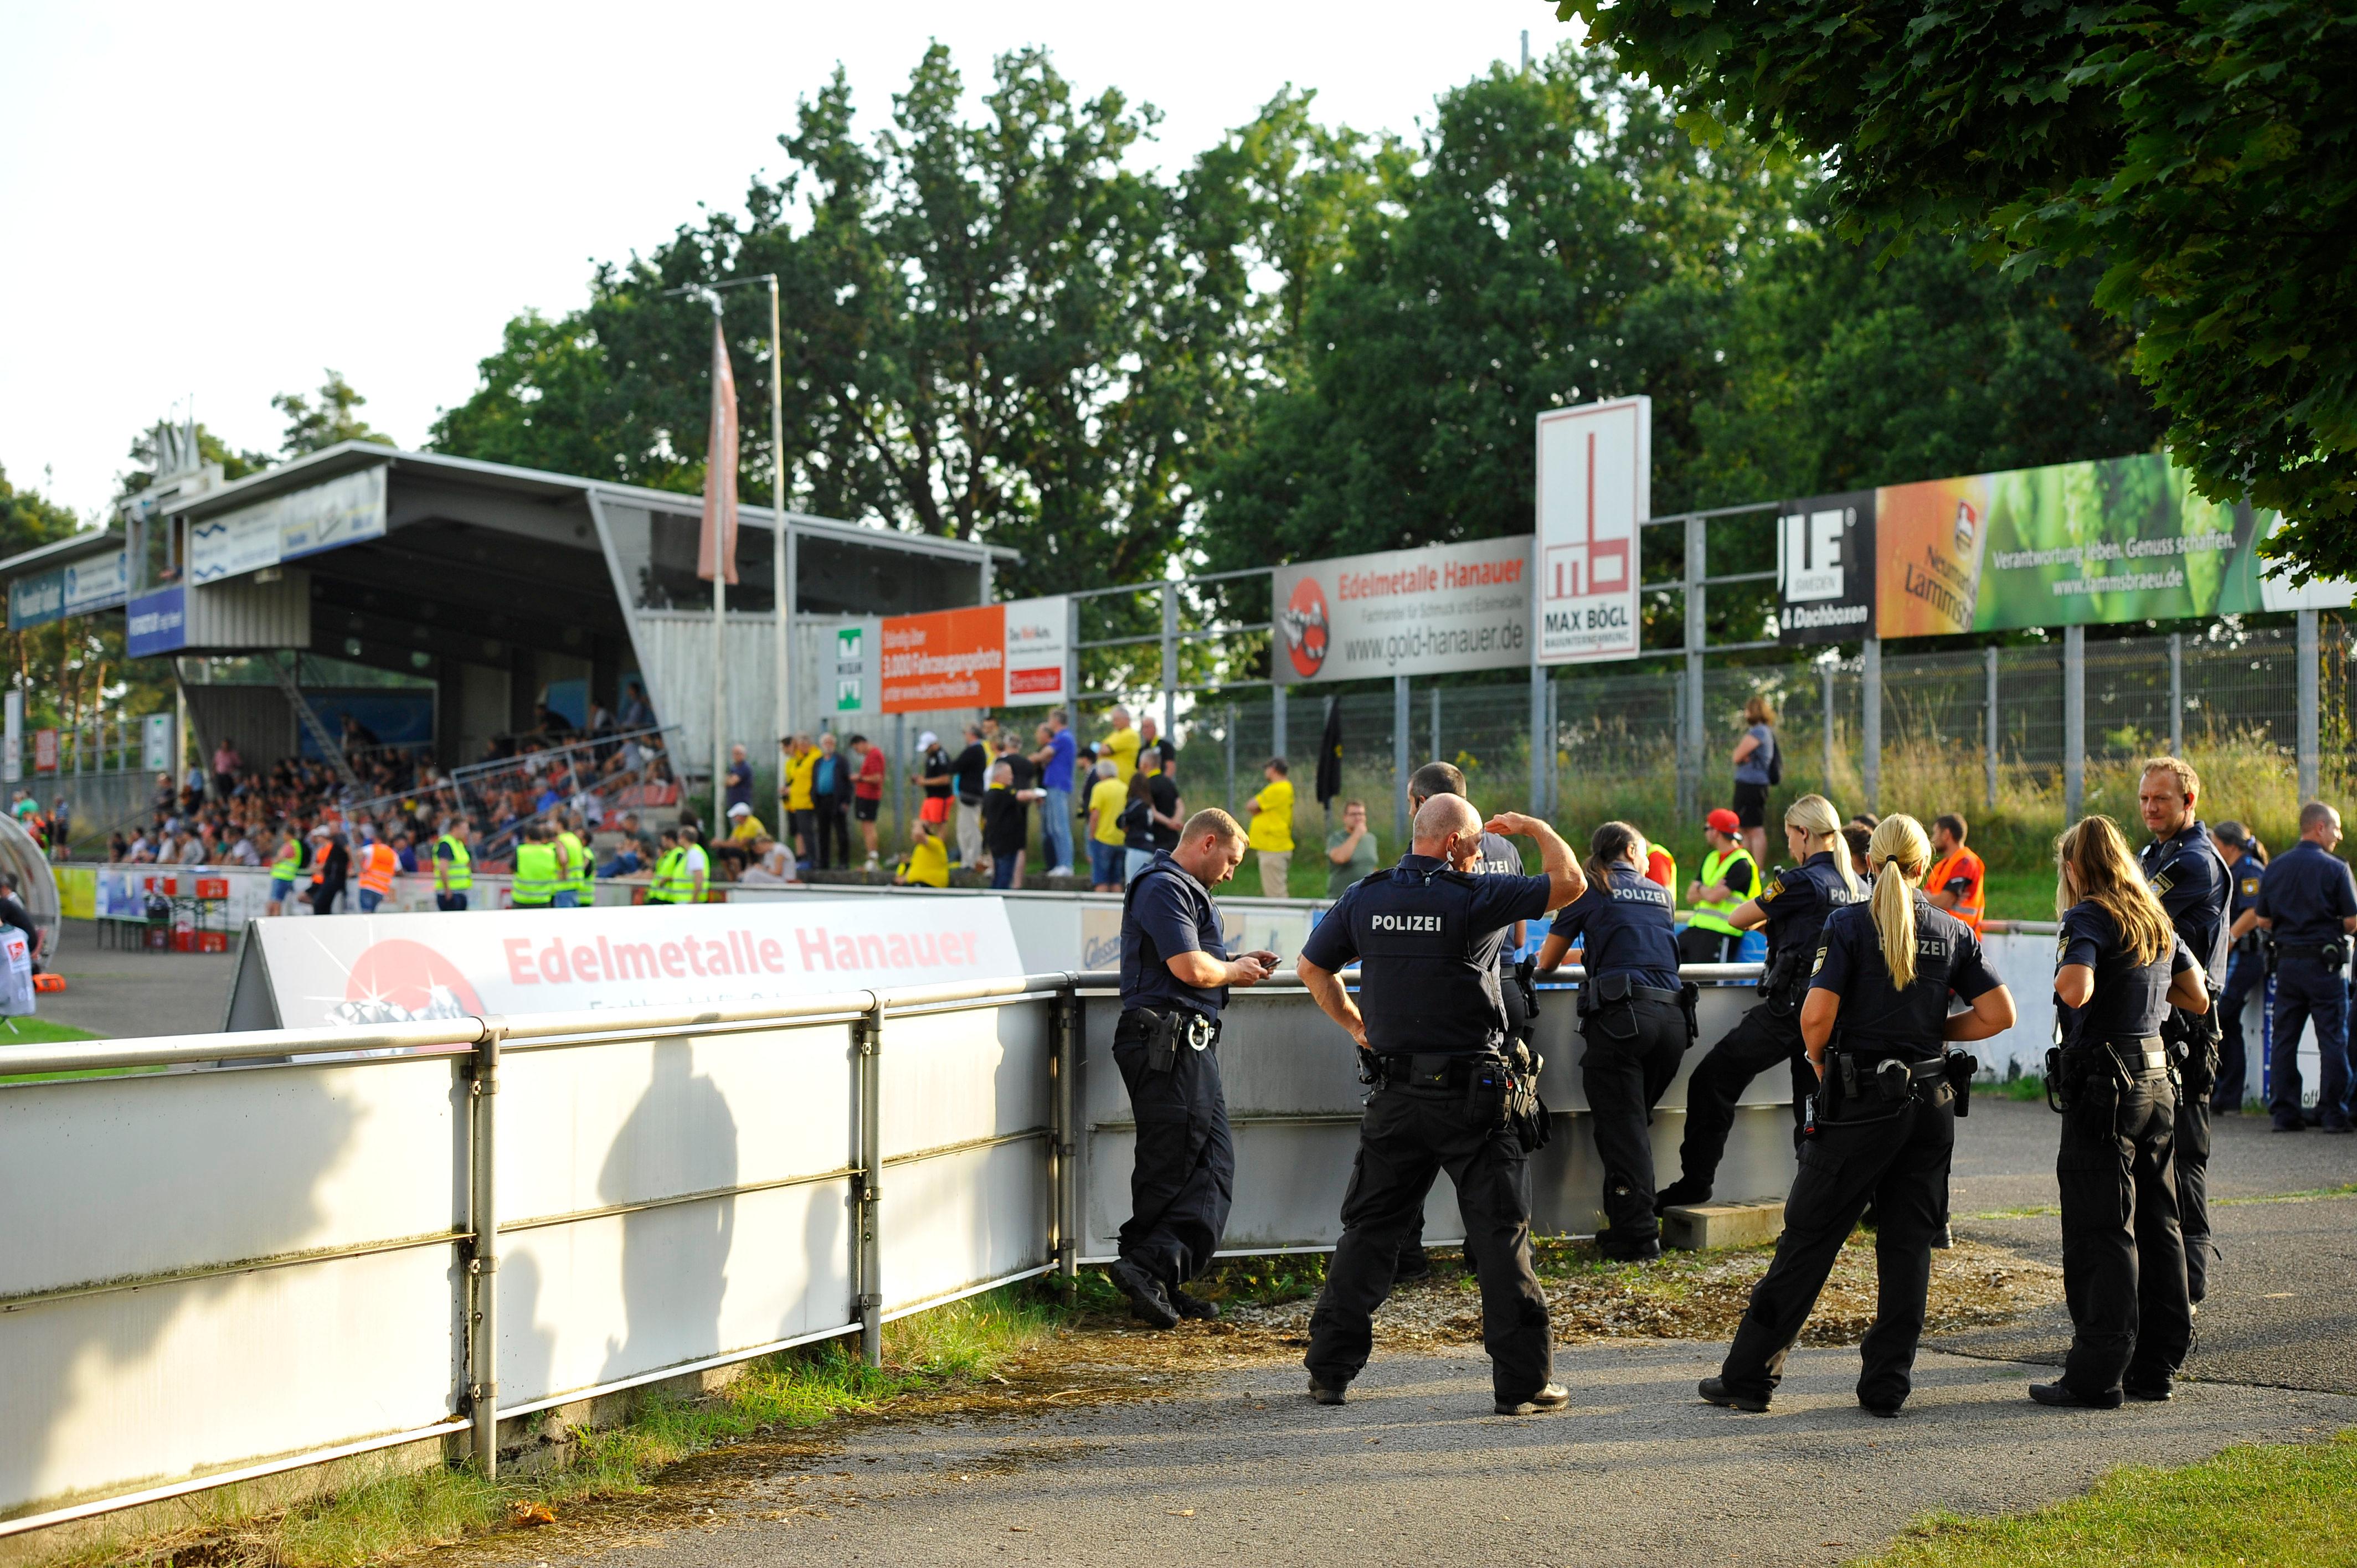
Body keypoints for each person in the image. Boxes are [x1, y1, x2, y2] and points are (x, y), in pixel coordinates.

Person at [1700, 814, 2016, 1416]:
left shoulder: (1846, 924)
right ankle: (1886, 1387)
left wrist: (1820, 1064)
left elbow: (1815, 1017)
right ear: (1925, 868)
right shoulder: (1953, 930)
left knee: (1808, 1238)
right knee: (1908, 1246)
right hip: (1930, 1101)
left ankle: (1748, 1379)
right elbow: (1999, 1014)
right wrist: (1931, 1035)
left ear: (1869, 862)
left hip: (1860, 1103)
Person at [1295, 796, 1584, 1412]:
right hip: (1472, 1102)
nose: (1480, 854)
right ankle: (1522, 1383)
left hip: (1395, 1097)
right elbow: (1570, 883)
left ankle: (1329, 1371)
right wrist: (1533, 827)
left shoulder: (1365, 896)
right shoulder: (1474, 896)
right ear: (1454, 844)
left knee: (1369, 1234)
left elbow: (1312, 968)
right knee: (1500, 1237)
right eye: (1476, 844)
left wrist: (1356, 1026)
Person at [2034, 813, 2210, 1407]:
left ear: (2074, 866)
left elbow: (2075, 988)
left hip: (2105, 1085)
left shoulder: (2088, 914)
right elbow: (2197, 997)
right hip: (2157, 1080)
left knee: (2101, 1227)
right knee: (2160, 1222)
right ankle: (2156, 1366)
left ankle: (2097, 1372)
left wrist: (2078, 972)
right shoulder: (2153, 916)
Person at [1103, 808, 1278, 1328]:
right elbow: (1190, 968)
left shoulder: (1181, 889)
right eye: (1231, 860)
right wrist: (1233, 970)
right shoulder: (1164, 886)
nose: (1231, 873)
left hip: (1183, 1043)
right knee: (1175, 1164)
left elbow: (1198, 962)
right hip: (1168, 1042)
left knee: (1206, 1166)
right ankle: (1146, 1269)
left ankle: (1157, 1276)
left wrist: (1236, 962)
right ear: (1207, 843)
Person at [1658, 794, 1862, 1211]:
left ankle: (1696, 1182)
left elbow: (1738, 918)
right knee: (1813, 1110)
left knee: (1713, 1078)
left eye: (1789, 836)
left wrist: (1778, 919)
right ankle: (1818, 1205)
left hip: (1791, 1011)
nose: (1788, 845)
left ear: (1804, 833)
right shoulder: (1859, 885)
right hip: (1837, 1016)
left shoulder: (1799, 881)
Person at [1536, 821, 1689, 1260]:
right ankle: (1627, 1224)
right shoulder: (1660, 893)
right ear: (1630, 851)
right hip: (1673, 1021)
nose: (1646, 861)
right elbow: (1641, 946)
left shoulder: (1588, 889)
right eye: (1643, 853)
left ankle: (1638, 1236)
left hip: (1624, 1022)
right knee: (1630, 1128)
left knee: (1623, 1131)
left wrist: (1582, 953)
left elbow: (1546, 961)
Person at [2133, 756, 2233, 1303]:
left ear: (2188, 801)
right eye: (2145, 798)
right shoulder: (2154, 853)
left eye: (2162, 799)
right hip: (2158, 1017)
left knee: (2185, 1156)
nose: (2150, 808)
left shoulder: (2194, 861)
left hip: (2189, 1024)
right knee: (2151, 1156)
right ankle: (2160, 1286)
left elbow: (2129, 915)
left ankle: (2188, 1290)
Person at [2256, 801, 2357, 1133]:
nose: (2339, 836)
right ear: (2320, 827)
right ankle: (2333, 1115)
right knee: (2333, 1040)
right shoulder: (2336, 868)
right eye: (2336, 828)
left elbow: (2263, 920)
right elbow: (2353, 921)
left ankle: (2285, 1114)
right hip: (2325, 966)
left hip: (2287, 964)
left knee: (2285, 1039)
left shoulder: (2275, 867)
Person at [2210, 821, 2268, 1112]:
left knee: (2218, 1016)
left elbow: (2255, 910)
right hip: (2233, 955)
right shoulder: (2232, 869)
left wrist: (2231, 938)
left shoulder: (2249, 869)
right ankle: (2226, 1097)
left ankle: (2227, 1094)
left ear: (2230, 845)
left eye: (2216, 843)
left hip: (2244, 955)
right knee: (2227, 1024)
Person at [1682, 807, 1758, 963]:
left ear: (1715, 832)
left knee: (1704, 977)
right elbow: (1690, 896)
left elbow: (1714, 897)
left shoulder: (1742, 863)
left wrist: (1700, 888)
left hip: (1722, 934)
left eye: (1706, 828)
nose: (1705, 833)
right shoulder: (1711, 858)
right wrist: (1707, 890)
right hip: (1696, 928)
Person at [980, 761, 1044, 890]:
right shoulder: (1000, 792)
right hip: (1004, 843)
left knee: (999, 876)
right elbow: (1021, 796)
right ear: (998, 776)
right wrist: (1037, 794)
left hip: (997, 842)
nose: (1012, 777)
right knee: (1003, 878)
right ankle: (999, 898)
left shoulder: (989, 794)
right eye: (1009, 774)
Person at [1923, 813, 1987, 935]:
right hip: (1944, 934)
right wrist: (1933, 899)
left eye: (1935, 833)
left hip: (1962, 937)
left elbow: (1944, 901)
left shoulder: (1966, 862)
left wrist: (1929, 898)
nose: (1933, 839)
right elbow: (1923, 898)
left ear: (1946, 834)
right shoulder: (1941, 866)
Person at [1731, 696, 1779, 859]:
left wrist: (1743, 757)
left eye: (1747, 710)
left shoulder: (1758, 732)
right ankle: (1748, 864)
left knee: (1754, 829)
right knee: (1745, 828)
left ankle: (1757, 868)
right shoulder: (1765, 731)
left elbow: (1737, 756)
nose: (1745, 713)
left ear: (1753, 711)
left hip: (1751, 785)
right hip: (1755, 785)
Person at [1034, 710, 1077, 877]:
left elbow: (1044, 754)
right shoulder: (1061, 737)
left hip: (1058, 785)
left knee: (1061, 827)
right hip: (1053, 785)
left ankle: (1067, 864)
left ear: (1056, 721)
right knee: (1054, 827)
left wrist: (1038, 757)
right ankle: (1061, 864)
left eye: (1050, 719)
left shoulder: (1063, 737)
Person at [1244, 758, 1295, 899]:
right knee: (1274, 890)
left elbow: (1251, 805)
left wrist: (1258, 809)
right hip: (1273, 846)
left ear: (1273, 769)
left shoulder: (1278, 788)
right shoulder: (1283, 787)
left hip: (1273, 847)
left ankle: (1283, 914)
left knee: (1276, 894)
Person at [1085, 759, 1128, 892]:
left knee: (1101, 880)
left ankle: (1099, 905)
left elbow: (1095, 815)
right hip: (1121, 839)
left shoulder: (1099, 788)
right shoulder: (1125, 788)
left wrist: (1091, 836)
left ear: (1100, 773)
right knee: (1116, 881)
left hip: (1103, 838)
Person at [811, 731, 850, 870]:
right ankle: (824, 862)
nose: (828, 746)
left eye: (830, 743)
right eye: (825, 743)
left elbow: (847, 781)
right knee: (823, 833)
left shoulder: (841, 761)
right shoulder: (818, 762)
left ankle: (843, 862)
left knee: (841, 832)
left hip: (837, 800)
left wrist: (846, 801)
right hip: (821, 800)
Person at [1325, 798, 1378, 896]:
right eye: (1353, 814)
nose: (1358, 818)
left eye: (1361, 814)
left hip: (1365, 897)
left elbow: (1370, 865)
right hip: (1341, 898)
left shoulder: (1371, 839)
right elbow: (1340, 858)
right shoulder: (1336, 838)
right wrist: (1357, 835)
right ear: (1345, 818)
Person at [781, 736, 820, 871]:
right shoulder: (797, 760)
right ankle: (805, 859)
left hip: (807, 801)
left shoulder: (814, 757)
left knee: (808, 832)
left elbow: (807, 781)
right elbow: (794, 779)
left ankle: (813, 860)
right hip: (796, 802)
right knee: (801, 832)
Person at [851, 734, 887, 870]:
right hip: (865, 796)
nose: (857, 752)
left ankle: (873, 859)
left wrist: (859, 778)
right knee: (866, 827)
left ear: (862, 743)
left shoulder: (874, 755)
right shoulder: (870, 756)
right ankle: (871, 858)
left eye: (857, 749)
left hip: (869, 796)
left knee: (869, 828)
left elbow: (877, 778)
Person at [1116, 771, 1159, 885]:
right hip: (1149, 845)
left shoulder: (1136, 803)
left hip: (1137, 847)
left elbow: (1121, 820)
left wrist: (1125, 827)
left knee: (1132, 884)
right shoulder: (1148, 804)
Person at [914, 731, 953, 842]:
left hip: (941, 797)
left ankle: (940, 849)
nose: (926, 751)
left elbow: (945, 779)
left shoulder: (942, 756)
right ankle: (928, 848)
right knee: (924, 825)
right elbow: (932, 775)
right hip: (930, 797)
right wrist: (921, 779)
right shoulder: (930, 757)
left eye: (927, 748)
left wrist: (925, 782)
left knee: (940, 825)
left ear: (934, 745)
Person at [511, 822, 560, 910]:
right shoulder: (551, 852)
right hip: (544, 899)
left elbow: (512, 869)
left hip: (522, 899)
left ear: (527, 837)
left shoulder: (521, 851)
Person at [894, 818, 951, 888]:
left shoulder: (936, 843)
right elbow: (915, 868)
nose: (912, 834)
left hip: (929, 884)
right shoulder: (919, 848)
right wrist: (903, 879)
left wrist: (918, 824)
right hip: (916, 883)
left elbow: (918, 835)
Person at [433, 817, 474, 911]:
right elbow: (443, 868)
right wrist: (447, 890)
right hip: (451, 893)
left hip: (461, 891)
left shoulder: (459, 844)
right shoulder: (446, 844)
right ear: (455, 828)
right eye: (465, 829)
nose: (467, 832)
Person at [356, 832, 399, 915]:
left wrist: (361, 868)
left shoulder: (373, 848)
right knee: (373, 913)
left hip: (368, 885)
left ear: (378, 840)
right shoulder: (393, 854)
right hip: (381, 889)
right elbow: (399, 870)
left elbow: (358, 854)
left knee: (366, 913)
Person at [307, 828, 348, 916]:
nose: (317, 839)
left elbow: (327, 864)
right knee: (322, 904)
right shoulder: (321, 849)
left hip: (330, 879)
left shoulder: (334, 846)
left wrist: (318, 868)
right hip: (324, 878)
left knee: (320, 904)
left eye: (319, 837)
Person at [268, 830, 305, 917]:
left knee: (276, 903)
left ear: (289, 835)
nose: (283, 837)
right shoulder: (296, 845)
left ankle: (275, 922)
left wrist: (274, 861)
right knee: (277, 903)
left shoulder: (291, 845)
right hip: (288, 877)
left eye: (284, 835)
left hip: (282, 877)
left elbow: (280, 858)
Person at [1100, 705, 1141, 783]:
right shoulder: (1116, 734)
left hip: (1123, 781)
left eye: (1117, 720)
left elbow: (1105, 750)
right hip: (1110, 781)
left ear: (1126, 719)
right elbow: (1101, 749)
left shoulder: (1130, 734)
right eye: (1113, 720)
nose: (1114, 723)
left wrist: (1103, 750)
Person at [642, 826, 682, 906]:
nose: (662, 843)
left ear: (670, 840)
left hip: (667, 898)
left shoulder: (679, 854)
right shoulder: (668, 854)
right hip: (657, 895)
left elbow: (681, 875)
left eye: (664, 840)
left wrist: (666, 879)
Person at [724, 743, 753, 816]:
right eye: (734, 754)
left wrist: (730, 779)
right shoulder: (734, 767)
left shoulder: (745, 767)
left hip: (743, 804)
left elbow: (732, 782)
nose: (735, 756)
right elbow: (726, 783)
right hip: (734, 803)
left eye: (738, 753)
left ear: (744, 754)